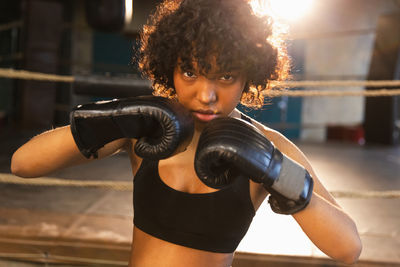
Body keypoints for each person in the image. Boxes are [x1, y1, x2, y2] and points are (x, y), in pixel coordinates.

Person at [11, 0, 362, 266]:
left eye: (225, 77)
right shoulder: (145, 129)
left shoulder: (267, 146)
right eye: (191, 73)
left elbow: (347, 247)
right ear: (170, 69)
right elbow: (22, 164)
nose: (206, 95)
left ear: (248, 76)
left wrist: (274, 170)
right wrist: (110, 119)